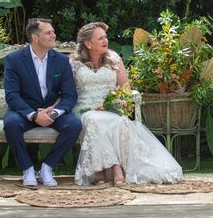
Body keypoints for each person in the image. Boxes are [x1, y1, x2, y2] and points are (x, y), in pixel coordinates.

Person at [71, 22, 182, 186]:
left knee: (117, 121)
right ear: (88, 43)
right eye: (100, 38)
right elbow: (67, 91)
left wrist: (112, 104)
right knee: (94, 120)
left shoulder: (113, 59)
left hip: (109, 108)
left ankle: (102, 173)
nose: (105, 41)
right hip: (84, 109)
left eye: (105, 37)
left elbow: (125, 89)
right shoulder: (74, 63)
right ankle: (116, 169)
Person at [3, 18, 82, 187]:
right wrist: (33, 115)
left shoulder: (61, 61)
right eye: (48, 32)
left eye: (53, 31)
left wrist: (54, 113)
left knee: (74, 124)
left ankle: (47, 167)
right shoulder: (14, 60)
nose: (54, 35)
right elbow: (12, 95)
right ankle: (27, 169)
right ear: (35, 37)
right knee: (10, 123)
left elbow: (69, 95)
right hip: (25, 111)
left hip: (51, 111)